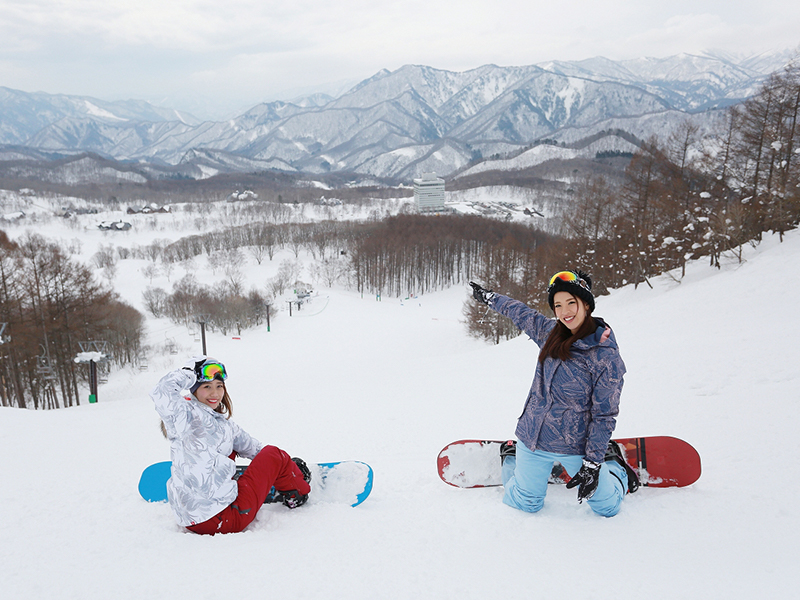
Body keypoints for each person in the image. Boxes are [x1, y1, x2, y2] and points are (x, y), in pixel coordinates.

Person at [469, 271, 639, 517]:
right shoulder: (549, 333)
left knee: (607, 507)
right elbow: (520, 311)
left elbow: (605, 414)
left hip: (576, 447)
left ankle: (613, 464)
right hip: (533, 437)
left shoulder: (605, 357)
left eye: (571, 302)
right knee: (526, 504)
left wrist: (592, 463)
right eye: (558, 305)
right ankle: (511, 457)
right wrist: (491, 298)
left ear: (587, 304)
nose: (565, 311)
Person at [150, 356, 312, 534]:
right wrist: (189, 372)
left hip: (190, 520)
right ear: (194, 389)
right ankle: (297, 492)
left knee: (240, 449)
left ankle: (238, 477)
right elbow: (162, 391)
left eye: (219, 386)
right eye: (207, 387)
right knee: (273, 453)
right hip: (226, 519)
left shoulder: (222, 424)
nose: (215, 393)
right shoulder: (186, 416)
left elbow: (254, 449)